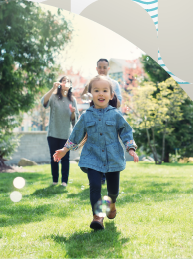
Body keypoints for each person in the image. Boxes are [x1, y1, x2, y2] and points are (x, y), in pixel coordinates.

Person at [53, 75, 138, 230]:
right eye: (96, 90)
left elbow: (126, 132)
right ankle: (97, 217)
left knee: (113, 191)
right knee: (95, 186)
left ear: (111, 95)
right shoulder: (86, 116)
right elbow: (76, 135)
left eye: (105, 90)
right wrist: (64, 150)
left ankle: (111, 203)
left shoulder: (116, 114)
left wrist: (131, 148)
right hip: (92, 157)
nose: (101, 94)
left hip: (113, 158)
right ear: (91, 94)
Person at [41, 76, 78, 186]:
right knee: (54, 158)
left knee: (65, 158)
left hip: (66, 134)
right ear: (60, 83)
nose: (66, 82)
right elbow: (43, 102)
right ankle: (55, 180)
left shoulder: (73, 100)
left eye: (68, 81)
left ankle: (64, 182)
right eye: (64, 80)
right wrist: (53, 88)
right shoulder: (53, 97)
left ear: (70, 85)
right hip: (53, 133)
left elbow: (74, 121)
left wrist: (72, 112)